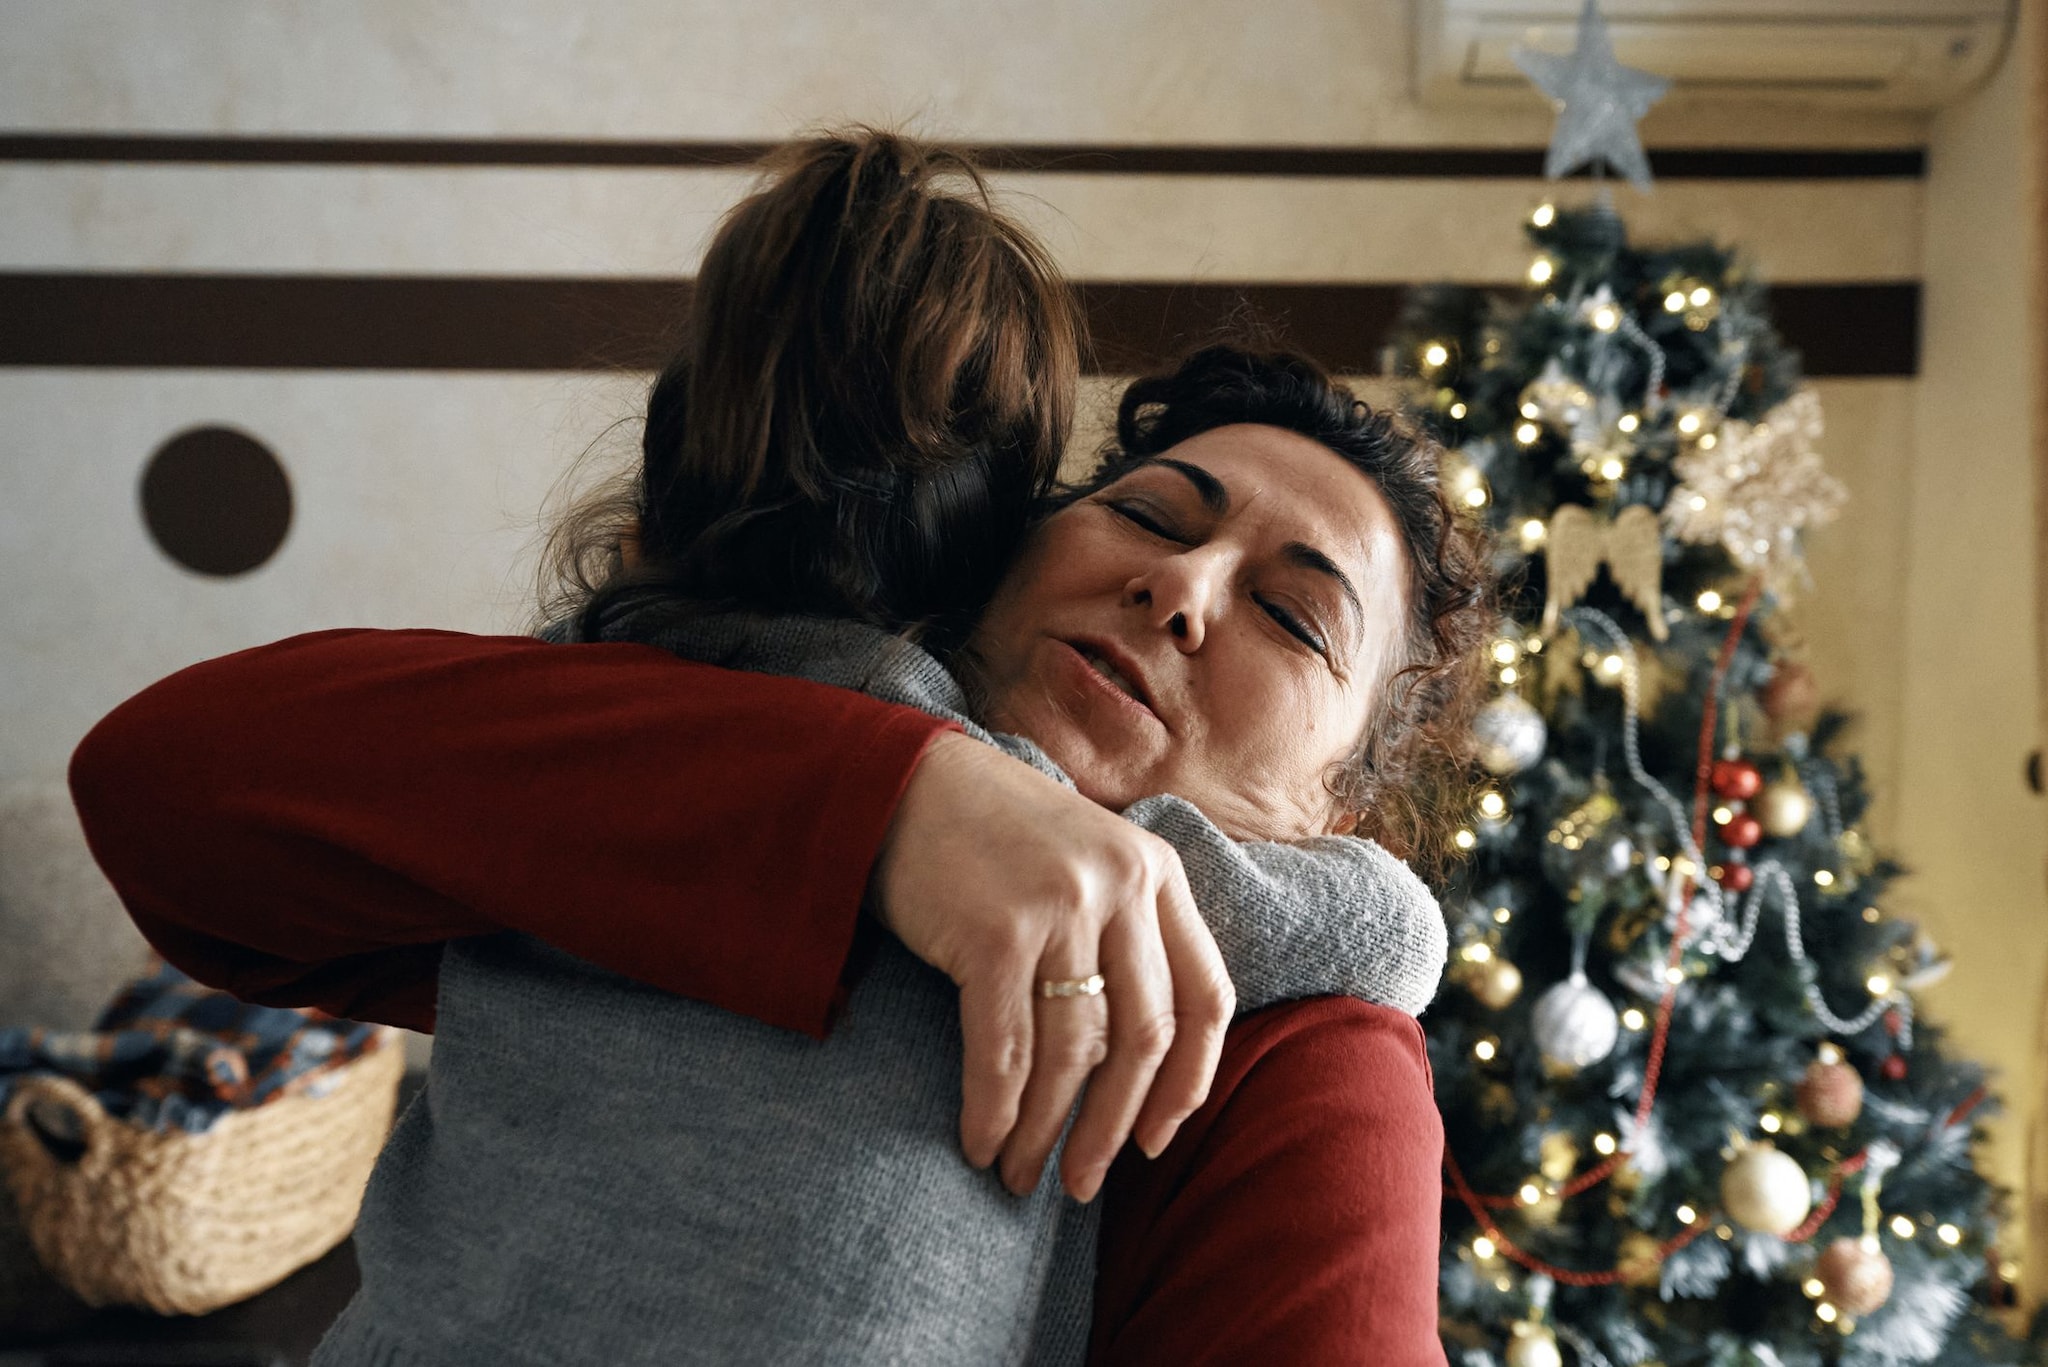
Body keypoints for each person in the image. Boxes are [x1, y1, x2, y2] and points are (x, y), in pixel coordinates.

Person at [71, 135, 1491, 1364]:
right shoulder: (681, 744)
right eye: (1152, 516)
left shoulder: (1302, 1057)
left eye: (1296, 619)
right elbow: (166, 785)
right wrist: (891, 803)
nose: (1182, 589)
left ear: (1336, 807)